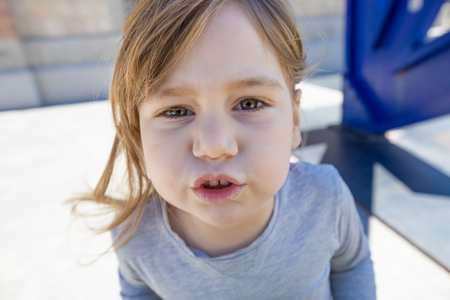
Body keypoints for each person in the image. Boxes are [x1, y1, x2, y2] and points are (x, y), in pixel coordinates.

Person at [72, 0, 376, 299]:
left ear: (294, 121)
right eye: (177, 111)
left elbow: (352, 266)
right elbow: (138, 291)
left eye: (249, 103)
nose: (214, 146)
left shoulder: (326, 198)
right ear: (138, 133)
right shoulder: (134, 235)